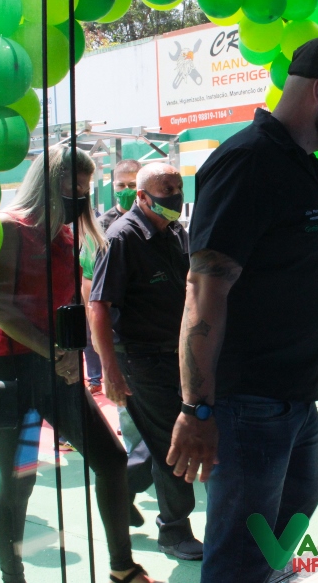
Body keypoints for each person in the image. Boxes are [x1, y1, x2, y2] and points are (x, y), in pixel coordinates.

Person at [166, 36, 318, 583]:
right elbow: (204, 291)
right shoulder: (247, 161)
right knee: (241, 557)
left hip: (294, 400)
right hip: (249, 406)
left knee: (287, 524)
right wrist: (197, 410)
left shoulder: (303, 164)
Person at [0, 145, 156, 583]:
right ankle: (14, 576)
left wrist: (73, 353)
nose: (79, 194)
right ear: (48, 183)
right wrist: (59, 353)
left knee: (111, 459)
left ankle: (121, 566)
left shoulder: (66, 236)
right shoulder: (7, 227)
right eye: (71, 185)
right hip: (12, 370)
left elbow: (71, 302)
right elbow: (1, 310)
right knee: (18, 482)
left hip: (54, 366)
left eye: (85, 187)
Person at [89, 162, 203, 561]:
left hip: (177, 355)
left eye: (177, 186)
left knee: (159, 442)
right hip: (140, 360)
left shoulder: (175, 232)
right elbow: (98, 306)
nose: (175, 195)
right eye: (165, 189)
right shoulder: (122, 238)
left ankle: (117, 491)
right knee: (172, 442)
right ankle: (173, 530)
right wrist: (110, 370)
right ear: (141, 196)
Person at [83, 159, 143, 394]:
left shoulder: (157, 222)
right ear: (113, 186)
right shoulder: (100, 227)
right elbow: (88, 281)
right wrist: (97, 329)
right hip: (117, 326)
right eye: (121, 185)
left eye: (132, 185)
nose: (126, 191)